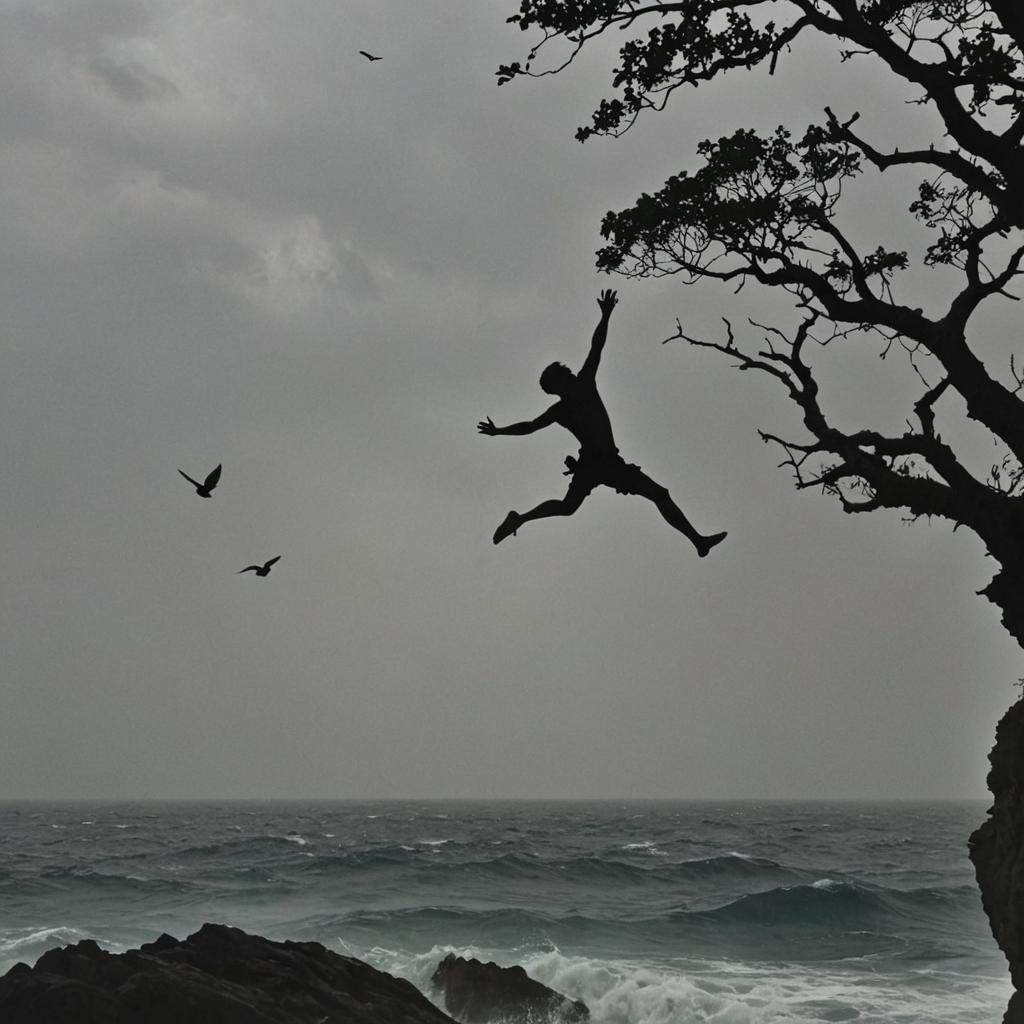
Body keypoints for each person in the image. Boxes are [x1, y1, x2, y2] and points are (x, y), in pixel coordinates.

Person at [478, 289, 727, 556]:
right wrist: (499, 431)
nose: (572, 372)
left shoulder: (579, 389)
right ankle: (520, 518)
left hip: (610, 462)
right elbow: (529, 426)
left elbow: (596, 348)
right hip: (593, 464)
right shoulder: (570, 399)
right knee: (569, 507)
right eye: (566, 373)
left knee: (657, 495)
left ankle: (698, 542)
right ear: (559, 383)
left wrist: (606, 315)